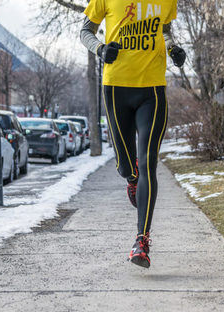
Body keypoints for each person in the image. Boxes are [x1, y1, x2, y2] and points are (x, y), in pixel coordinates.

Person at [80, 0, 186, 268]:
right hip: (116, 87)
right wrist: (100, 49)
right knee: (127, 165)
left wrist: (173, 48)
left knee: (148, 162)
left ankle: (142, 241)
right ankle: (130, 177)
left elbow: (165, 29)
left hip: (152, 89)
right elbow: (85, 32)